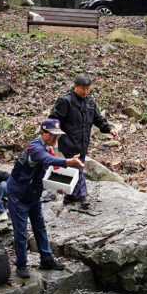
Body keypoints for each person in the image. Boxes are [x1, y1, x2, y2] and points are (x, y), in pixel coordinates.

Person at [6, 119, 84, 279]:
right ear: (42, 133)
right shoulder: (35, 147)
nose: (56, 139)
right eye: (53, 135)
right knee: (21, 232)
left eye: (58, 136)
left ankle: (46, 258)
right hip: (18, 195)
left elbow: (48, 169)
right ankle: (21, 264)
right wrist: (68, 162)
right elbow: (47, 160)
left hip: (34, 193)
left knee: (40, 227)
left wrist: (58, 185)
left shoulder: (47, 147)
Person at [49, 73, 114, 208]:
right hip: (69, 143)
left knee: (74, 169)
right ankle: (82, 197)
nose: (85, 91)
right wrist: (54, 136)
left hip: (83, 143)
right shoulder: (65, 101)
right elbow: (54, 119)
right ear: (75, 86)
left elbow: (98, 118)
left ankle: (70, 195)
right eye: (82, 88)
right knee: (77, 169)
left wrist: (108, 129)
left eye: (87, 88)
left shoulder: (90, 102)